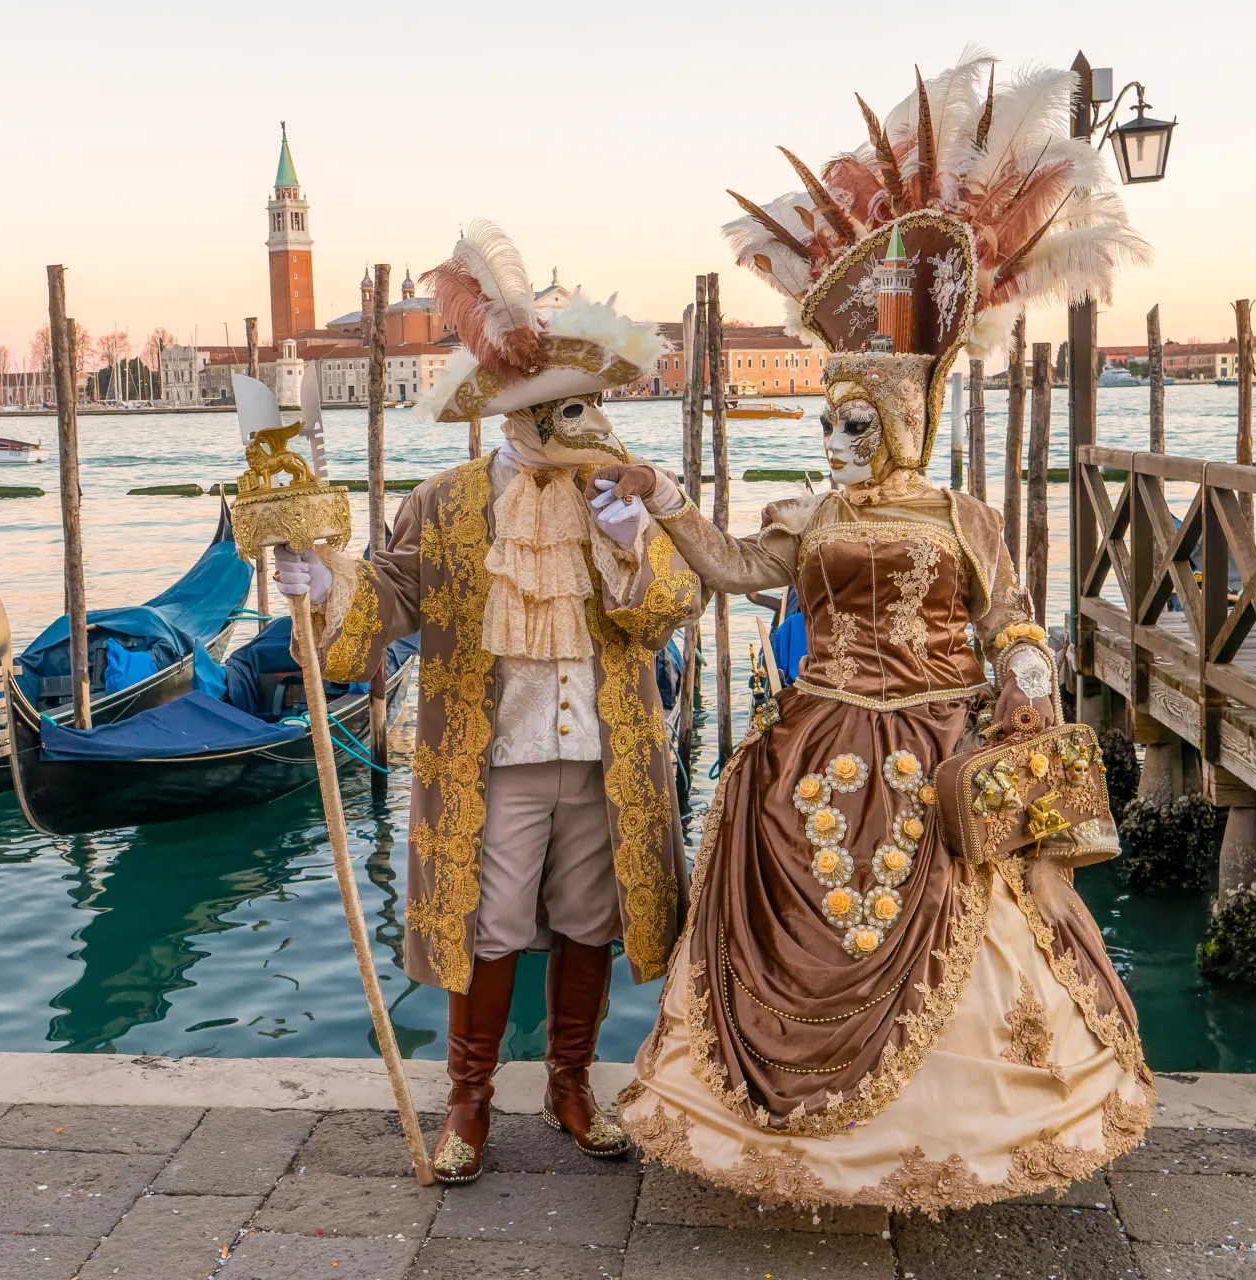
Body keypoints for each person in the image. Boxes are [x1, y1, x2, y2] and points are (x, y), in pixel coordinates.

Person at [593, 54, 1154, 1213]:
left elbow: (1009, 614)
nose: (836, 442)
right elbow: (731, 569)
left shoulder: (962, 516)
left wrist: (1028, 668)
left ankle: (956, 1140)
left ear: (899, 424)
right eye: (828, 423)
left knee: (967, 920)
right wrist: (663, 497)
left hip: (942, 747)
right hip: (819, 738)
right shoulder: (811, 516)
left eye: (857, 425)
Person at [273, 221, 699, 1184]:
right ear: (518, 415)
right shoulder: (446, 503)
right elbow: (390, 597)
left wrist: (634, 546)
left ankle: (571, 1086)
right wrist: (326, 582)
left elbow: (671, 611)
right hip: (492, 758)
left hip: (607, 754)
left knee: (591, 919)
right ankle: (468, 1099)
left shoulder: (619, 497)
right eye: (567, 411)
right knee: (487, 923)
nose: (587, 427)